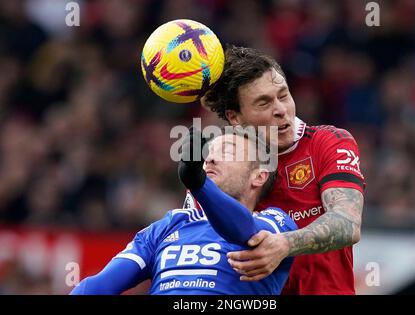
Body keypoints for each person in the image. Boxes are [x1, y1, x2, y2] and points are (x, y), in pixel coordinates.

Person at [199, 45, 366, 295]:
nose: (281, 110)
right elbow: (196, 240)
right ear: (235, 118)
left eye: (283, 95)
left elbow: (347, 223)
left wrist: (284, 244)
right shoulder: (218, 163)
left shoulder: (328, 142)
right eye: (263, 103)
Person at [70, 127, 297, 295]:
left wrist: (198, 183)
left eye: (228, 152)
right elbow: (99, 285)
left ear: (259, 176)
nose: (210, 158)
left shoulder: (277, 222)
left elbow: (246, 231)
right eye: (208, 152)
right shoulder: (168, 226)